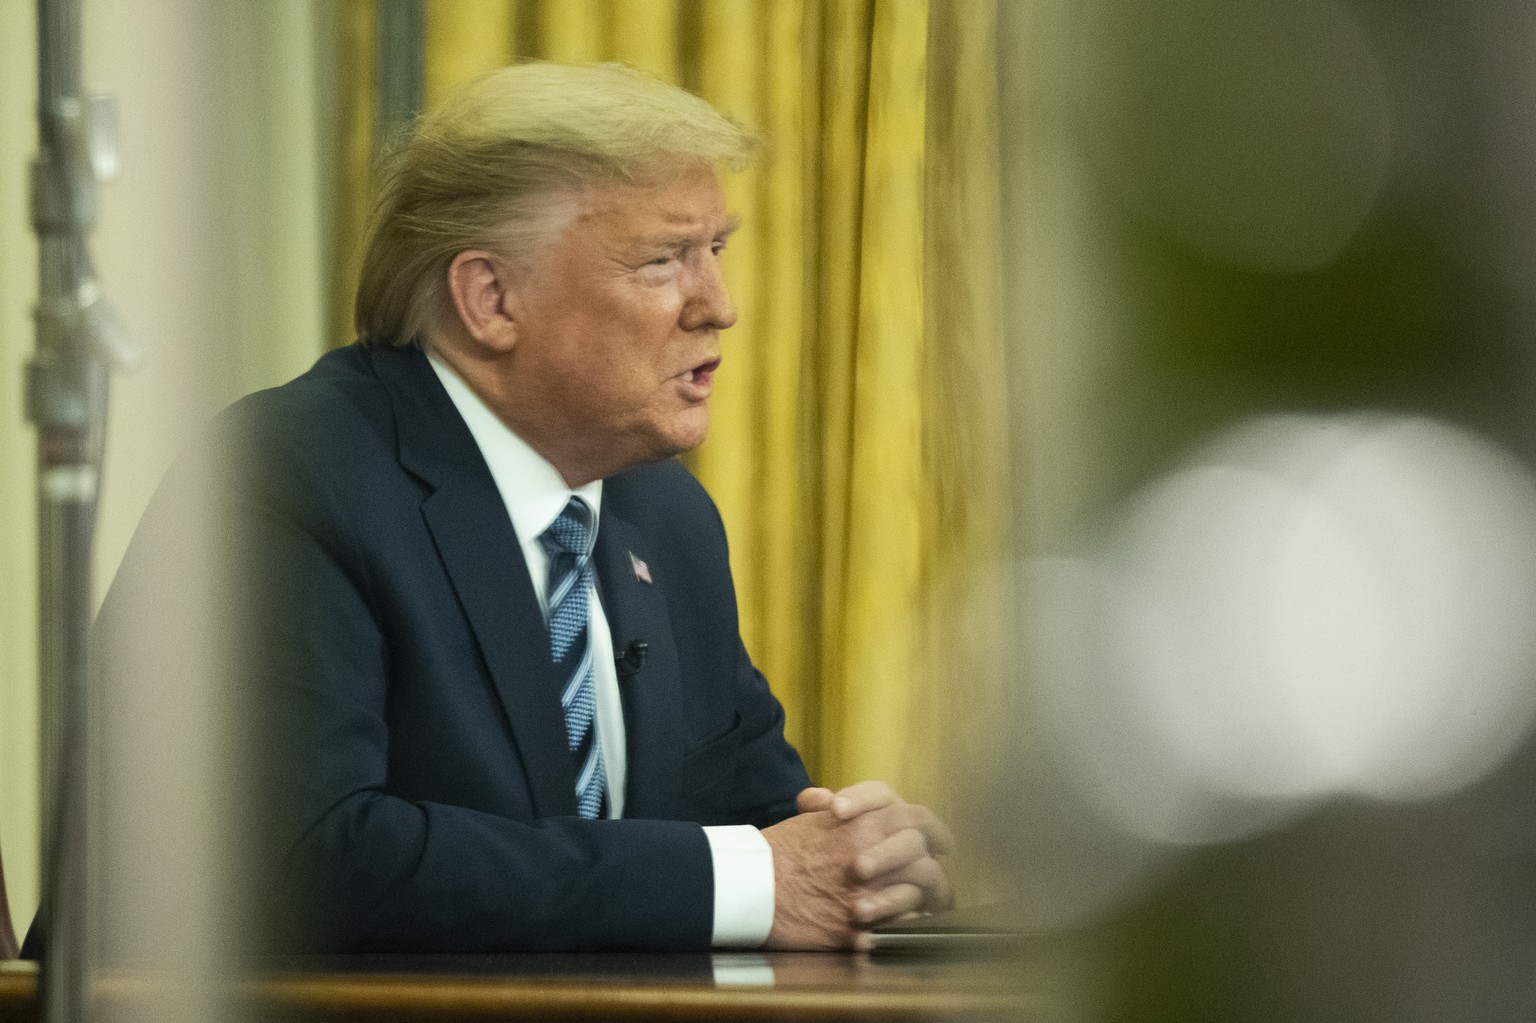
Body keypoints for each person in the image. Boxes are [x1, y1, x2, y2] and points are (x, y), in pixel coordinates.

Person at [92, 61, 951, 953]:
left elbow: (761, 829)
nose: (720, 307)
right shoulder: (286, 476)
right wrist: (742, 880)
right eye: (664, 260)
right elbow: (302, 860)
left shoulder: (667, 518)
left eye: (717, 251)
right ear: (491, 298)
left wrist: (863, 862)